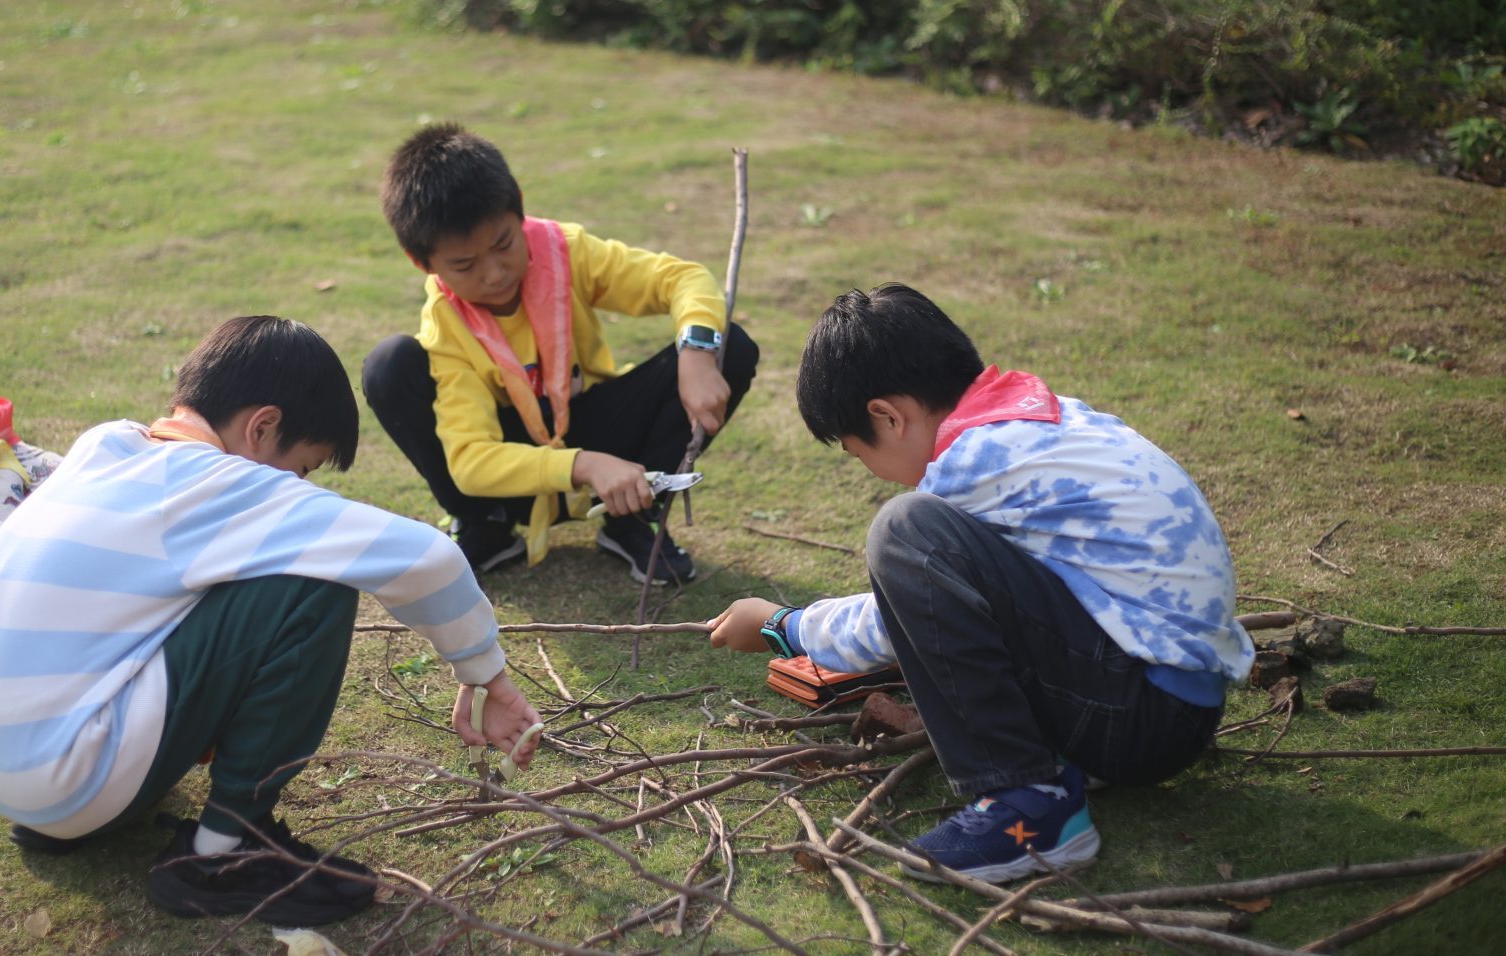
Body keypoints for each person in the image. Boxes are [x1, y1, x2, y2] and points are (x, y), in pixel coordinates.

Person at [0, 316, 542, 924]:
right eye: (302, 469)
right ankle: (223, 854)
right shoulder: (221, 483)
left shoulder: (108, 444)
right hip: (68, 776)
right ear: (262, 427)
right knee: (311, 586)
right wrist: (487, 675)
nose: (296, 487)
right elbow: (430, 558)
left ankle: (74, 817)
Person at [706, 284, 1252, 883]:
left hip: (1141, 717)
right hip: (1172, 703)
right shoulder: (1033, 419)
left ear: (886, 416)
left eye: (857, 450)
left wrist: (783, 626)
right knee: (923, 539)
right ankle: (1052, 764)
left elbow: (898, 623)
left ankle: (1029, 804)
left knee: (903, 531)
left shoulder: (973, 462)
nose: (868, 468)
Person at [363, 122, 758, 584]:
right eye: (465, 265)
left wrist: (696, 353)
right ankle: (487, 527)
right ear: (423, 263)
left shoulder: (565, 252)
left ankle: (631, 515)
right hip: (516, 474)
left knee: (730, 345)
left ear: (520, 208)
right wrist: (584, 464)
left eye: (504, 244)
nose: (494, 274)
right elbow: (471, 461)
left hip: (597, 429)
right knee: (388, 365)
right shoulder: (447, 325)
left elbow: (681, 279)